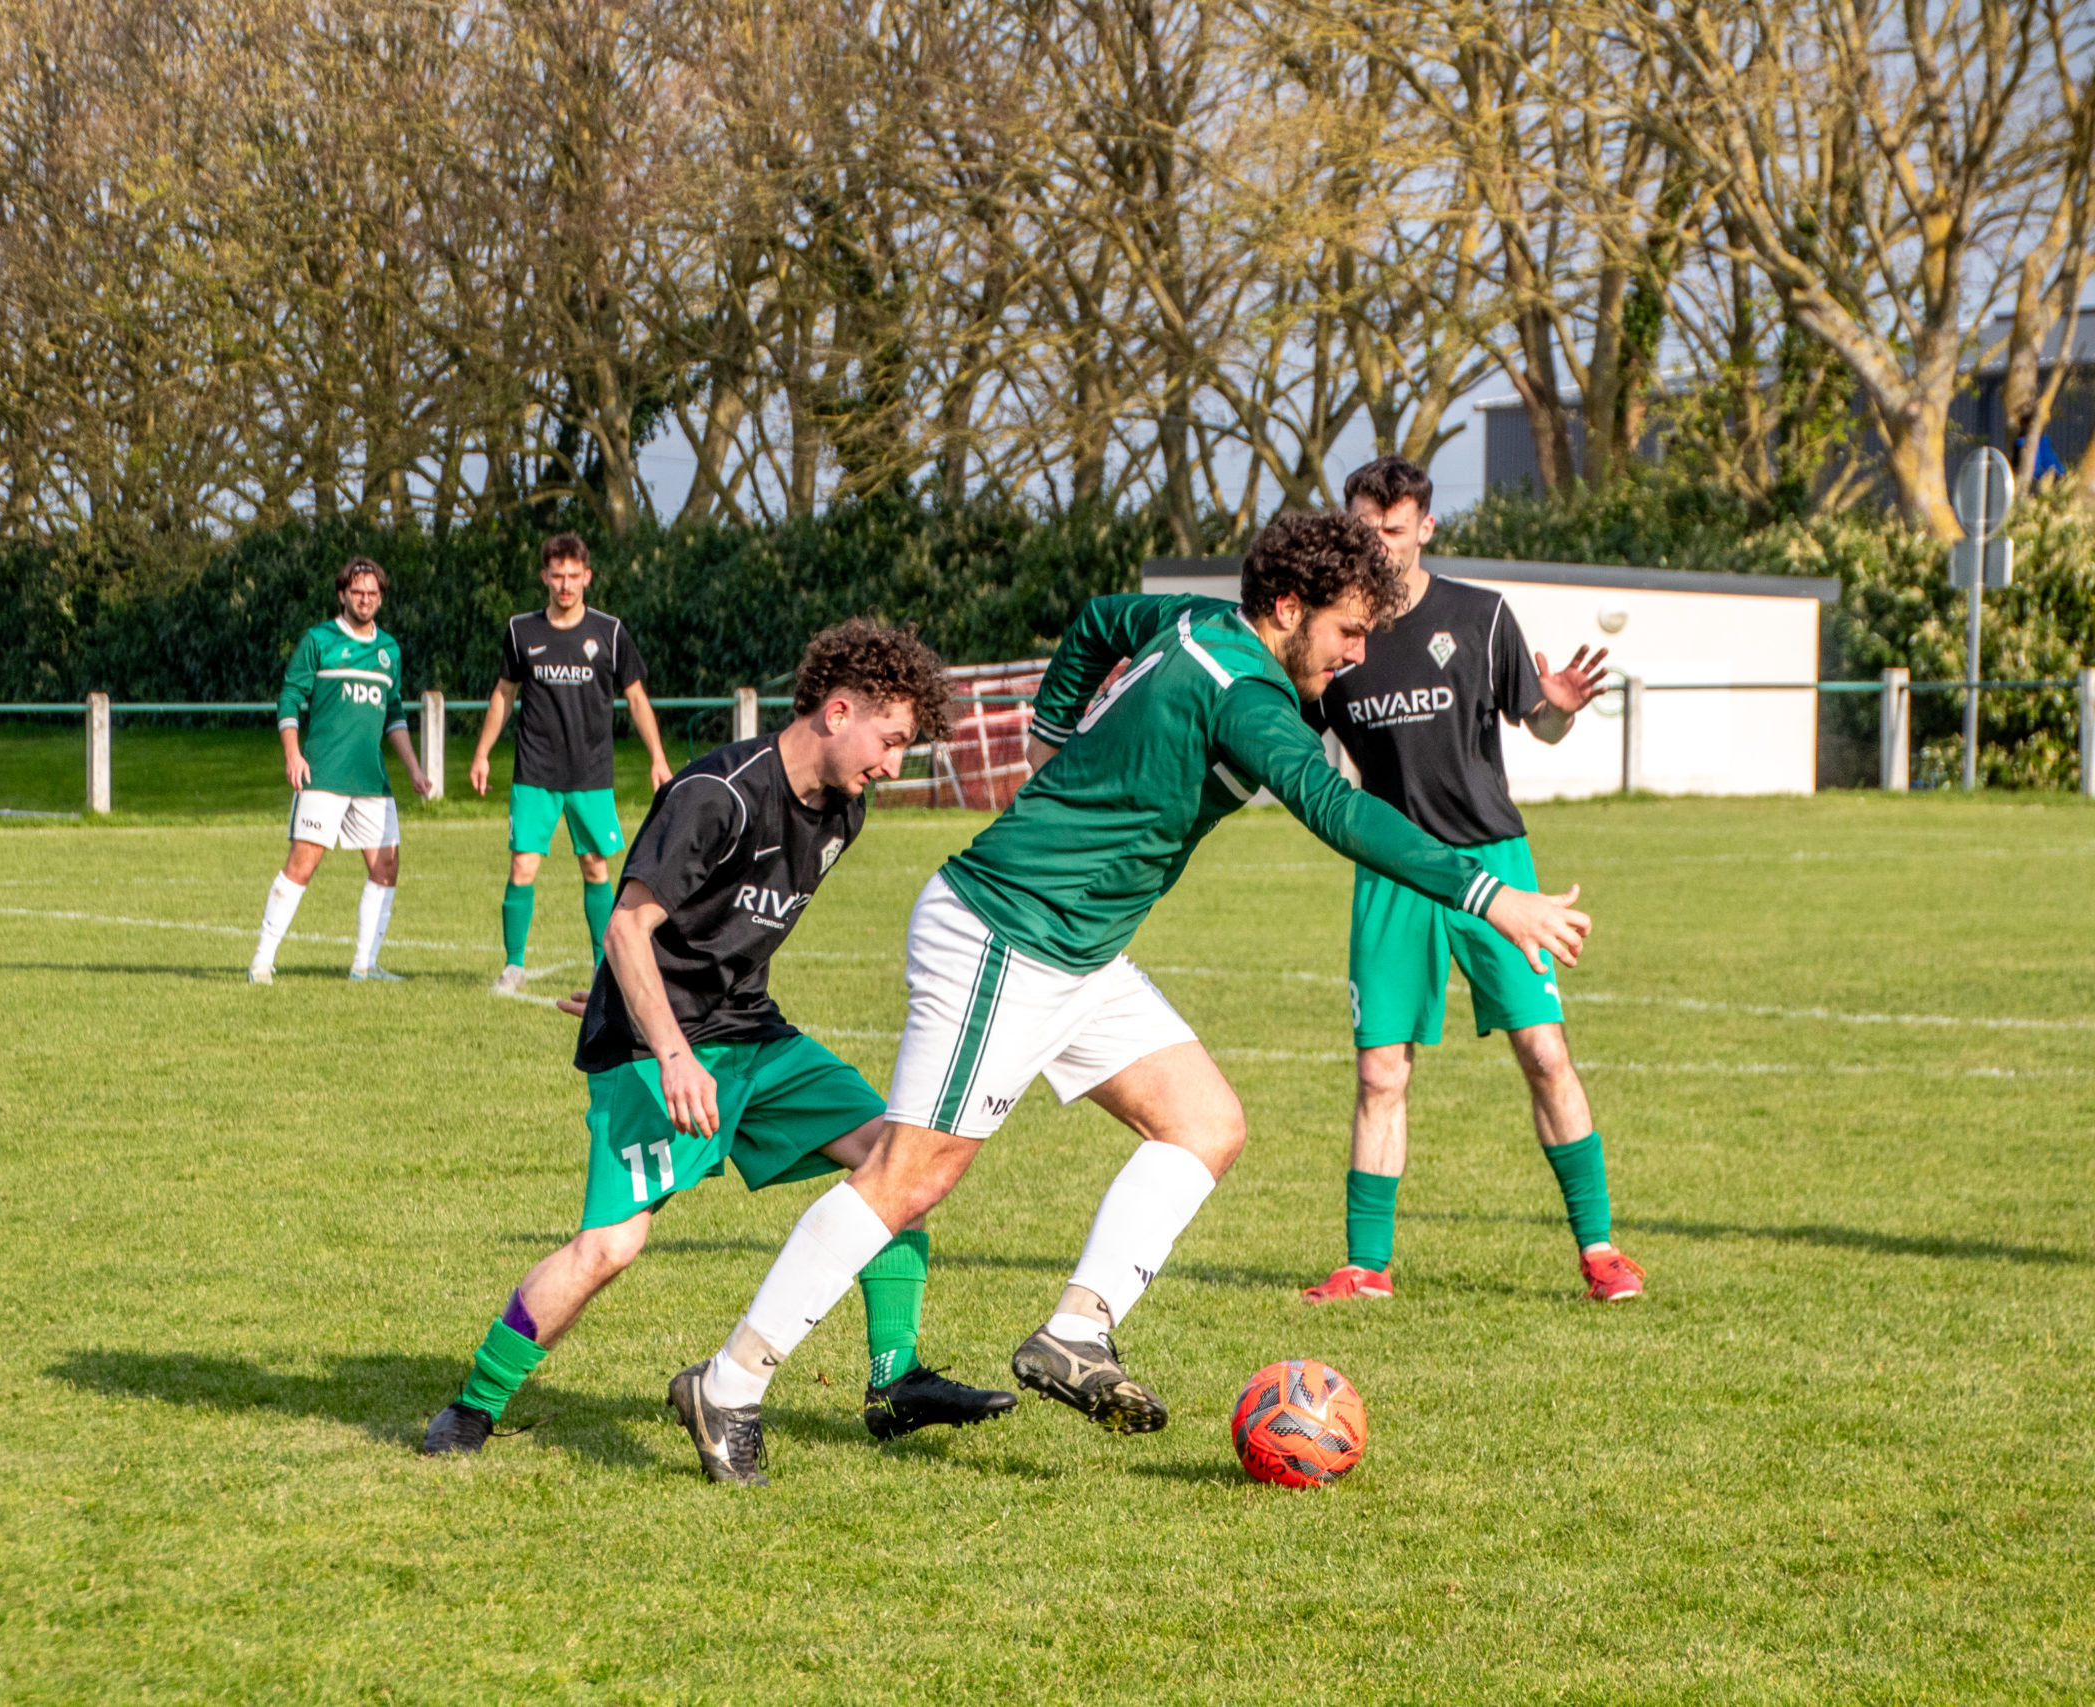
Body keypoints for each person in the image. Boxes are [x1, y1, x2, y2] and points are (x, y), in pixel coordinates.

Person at [662, 513, 1596, 1485]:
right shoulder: (1246, 694)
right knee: (909, 1177)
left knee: (1205, 1123)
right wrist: (1494, 896)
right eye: (1349, 631)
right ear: (1287, 608)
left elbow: (1102, 619)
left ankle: (1076, 1330)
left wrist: (1053, 732)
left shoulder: (1195, 622)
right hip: (1006, 933)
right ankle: (728, 1382)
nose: (1358, 654)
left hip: (1079, 952)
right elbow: (1336, 807)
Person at [424, 622, 1015, 1465]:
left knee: (902, 1165)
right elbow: (627, 926)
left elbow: (712, 933)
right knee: (611, 1245)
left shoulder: (843, 811)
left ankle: (896, 1380)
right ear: (838, 712)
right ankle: (473, 1405)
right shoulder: (717, 794)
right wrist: (667, 1047)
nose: (892, 764)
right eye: (889, 740)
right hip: (655, 1050)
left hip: (750, 1034)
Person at [1300, 457, 1642, 1305]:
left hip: (1496, 865)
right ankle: (1365, 1266)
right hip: (1392, 869)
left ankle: (1601, 1252)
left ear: (1425, 527)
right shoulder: (1335, 635)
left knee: (1545, 1052)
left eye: (1394, 528)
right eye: (1366, 529)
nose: (1380, 543)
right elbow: (1286, 734)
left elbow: (1542, 724)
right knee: (1381, 1072)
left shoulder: (1481, 616)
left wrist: (1559, 707)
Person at [467, 535, 673, 995]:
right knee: (522, 866)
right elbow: (503, 694)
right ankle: (513, 966)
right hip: (534, 772)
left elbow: (637, 699)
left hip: (590, 774)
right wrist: (481, 753)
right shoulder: (522, 631)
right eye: (557, 575)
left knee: (595, 867)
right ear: (544, 577)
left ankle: (603, 967)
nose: (565, 584)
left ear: (587, 577)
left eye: (573, 575)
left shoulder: (610, 632)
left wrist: (658, 757)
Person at [248, 559, 433, 984]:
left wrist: (414, 770)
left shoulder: (389, 650)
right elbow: (290, 697)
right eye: (357, 592)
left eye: (372, 593)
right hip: (324, 775)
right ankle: (262, 961)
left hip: (371, 780)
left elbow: (393, 712)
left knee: (386, 867)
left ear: (381, 597)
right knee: (302, 865)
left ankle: (364, 967)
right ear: (342, 595)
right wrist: (293, 754)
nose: (365, 599)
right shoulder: (319, 640)